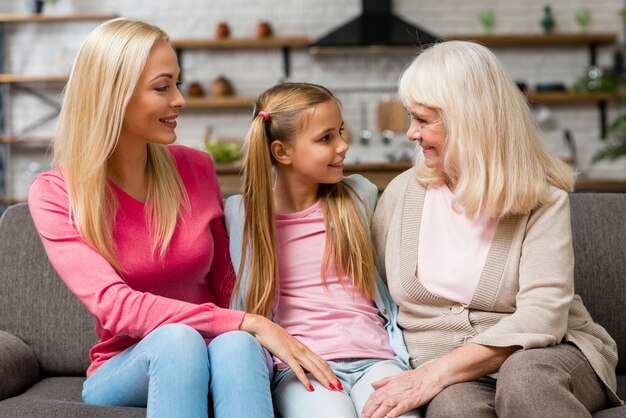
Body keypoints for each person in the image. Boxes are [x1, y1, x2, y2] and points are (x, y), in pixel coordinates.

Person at [27, 18, 337, 418]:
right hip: (126, 365)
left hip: (219, 350)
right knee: (180, 340)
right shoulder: (56, 192)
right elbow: (115, 307)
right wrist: (248, 322)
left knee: (238, 344)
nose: (180, 99)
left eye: (177, 83)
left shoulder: (196, 168)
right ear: (113, 95)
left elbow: (227, 284)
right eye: (162, 87)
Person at [361, 40, 622, 418]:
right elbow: (370, 296)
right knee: (454, 408)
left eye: (423, 119)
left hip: (546, 355)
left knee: (525, 379)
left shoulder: (541, 199)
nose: (410, 134)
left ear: (467, 120)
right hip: (457, 379)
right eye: (410, 117)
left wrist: (433, 374)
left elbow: (543, 316)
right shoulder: (402, 194)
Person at [224, 82, 419, 418]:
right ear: (281, 152)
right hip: (303, 367)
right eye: (326, 138)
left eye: (341, 132)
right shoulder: (241, 215)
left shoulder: (359, 196)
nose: (344, 145)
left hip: (378, 359)